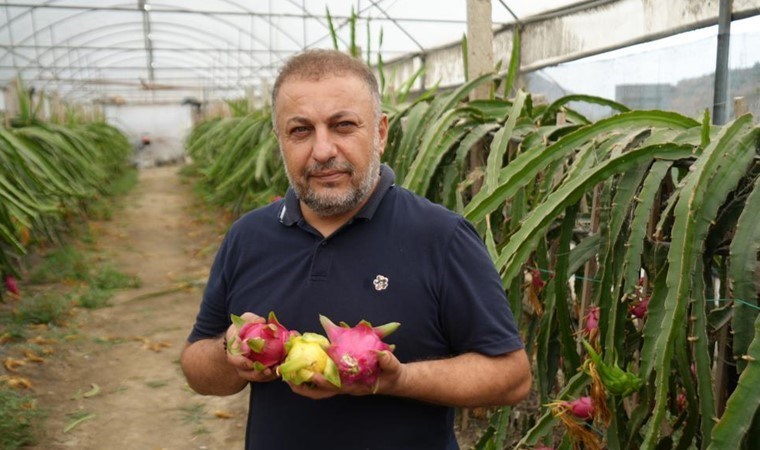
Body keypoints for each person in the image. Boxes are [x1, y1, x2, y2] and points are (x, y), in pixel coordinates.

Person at [180, 49, 531, 450]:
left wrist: (395, 379)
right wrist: (232, 353)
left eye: (343, 125)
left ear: (380, 132)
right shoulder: (248, 236)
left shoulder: (441, 237)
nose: (323, 150)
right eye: (300, 130)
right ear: (280, 141)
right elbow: (196, 368)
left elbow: (512, 376)